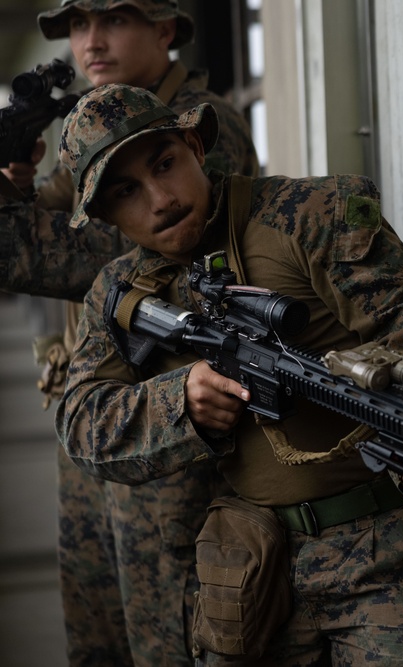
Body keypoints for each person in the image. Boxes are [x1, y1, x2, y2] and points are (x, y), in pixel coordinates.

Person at [53, 83, 403, 665]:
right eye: (127, 192)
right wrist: (183, 401)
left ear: (196, 145)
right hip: (243, 567)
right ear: (103, 215)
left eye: (165, 165)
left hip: (379, 546)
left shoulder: (310, 214)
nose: (160, 198)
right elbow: (81, 426)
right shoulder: (118, 295)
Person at [0, 1, 258, 664]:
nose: (91, 42)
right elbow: (53, 215)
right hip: (98, 416)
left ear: (165, 30)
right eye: (78, 27)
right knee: (98, 631)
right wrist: (16, 185)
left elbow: (81, 257)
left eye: (112, 21)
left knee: (169, 635)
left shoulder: (201, 127)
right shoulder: (92, 125)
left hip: (173, 420)